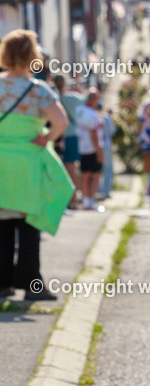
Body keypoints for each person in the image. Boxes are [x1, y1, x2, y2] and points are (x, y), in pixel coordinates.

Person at [0, 30, 73, 302]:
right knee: (29, 224)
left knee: (3, 226)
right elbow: (61, 123)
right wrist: (45, 138)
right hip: (28, 161)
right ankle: (32, 285)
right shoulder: (38, 91)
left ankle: (3, 283)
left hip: (1, 162)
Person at [52, 74, 84, 209]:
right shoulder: (72, 98)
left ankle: (64, 200)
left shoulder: (51, 98)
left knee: (58, 170)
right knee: (71, 170)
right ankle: (72, 199)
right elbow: (87, 98)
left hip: (56, 137)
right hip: (71, 137)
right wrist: (77, 83)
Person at [75, 89, 105, 212]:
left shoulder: (80, 111)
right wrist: (99, 152)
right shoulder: (92, 115)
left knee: (84, 176)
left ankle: (86, 201)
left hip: (82, 147)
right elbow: (94, 135)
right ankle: (90, 202)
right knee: (95, 176)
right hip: (93, 148)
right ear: (94, 100)